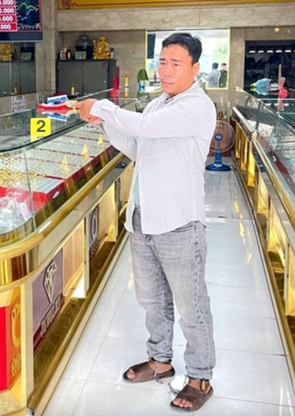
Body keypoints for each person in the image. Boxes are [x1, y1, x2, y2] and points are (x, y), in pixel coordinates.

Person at [74, 32, 216, 412]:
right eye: (162, 62)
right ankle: (160, 361)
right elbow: (138, 144)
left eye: (176, 64)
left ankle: (200, 377)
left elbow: (144, 128)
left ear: (195, 68)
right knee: (152, 300)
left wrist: (103, 107)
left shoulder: (197, 106)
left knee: (191, 306)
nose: (166, 70)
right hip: (143, 220)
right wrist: (104, 124)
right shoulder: (157, 105)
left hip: (179, 223)